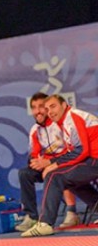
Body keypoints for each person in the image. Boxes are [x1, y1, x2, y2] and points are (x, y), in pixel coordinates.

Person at [21, 94, 98, 237]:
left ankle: (45, 223)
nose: (50, 111)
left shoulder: (72, 118)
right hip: (92, 158)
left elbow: (82, 150)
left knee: (55, 176)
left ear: (64, 105)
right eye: (47, 108)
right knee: (69, 179)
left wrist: (52, 164)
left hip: (94, 159)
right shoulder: (64, 122)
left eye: (53, 106)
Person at [16, 92, 79, 232]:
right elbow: (34, 155)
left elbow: (72, 152)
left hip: (66, 162)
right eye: (34, 107)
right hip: (46, 165)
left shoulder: (60, 124)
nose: (37, 111)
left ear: (48, 109)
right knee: (24, 174)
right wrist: (37, 163)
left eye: (41, 106)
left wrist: (51, 164)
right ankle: (31, 216)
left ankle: (71, 212)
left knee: (58, 172)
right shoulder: (35, 130)